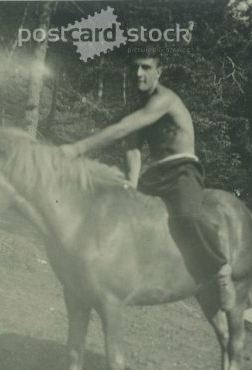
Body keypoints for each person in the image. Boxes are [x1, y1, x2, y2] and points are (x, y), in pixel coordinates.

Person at [59, 50, 236, 311]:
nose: (138, 74)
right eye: (134, 69)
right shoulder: (138, 108)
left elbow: (122, 129)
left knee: (187, 215)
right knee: (121, 213)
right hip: (154, 175)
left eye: (145, 68)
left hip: (183, 170)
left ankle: (221, 269)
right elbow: (133, 145)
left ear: (159, 71)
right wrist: (131, 180)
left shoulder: (165, 100)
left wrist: (77, 148)